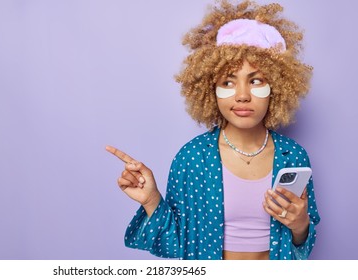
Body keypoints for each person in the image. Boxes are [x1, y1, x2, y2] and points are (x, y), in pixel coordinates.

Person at [106, 0, 320, 260]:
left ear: (276, 85)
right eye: (228, 81)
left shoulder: (293, 156)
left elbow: (302, 247)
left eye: (256, 81)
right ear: (210, 89)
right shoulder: (192, 158)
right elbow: (177, 246)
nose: (242, 95)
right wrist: (151, 200)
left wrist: (300, 227)